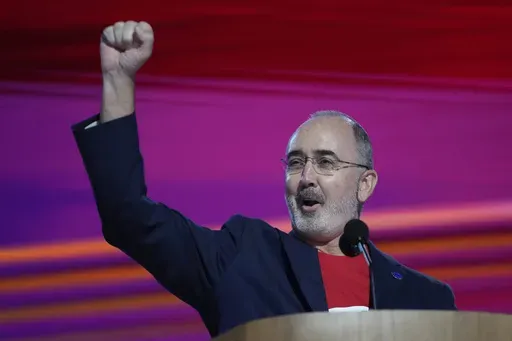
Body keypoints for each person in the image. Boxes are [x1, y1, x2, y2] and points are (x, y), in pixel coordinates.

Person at [72, 21, 457, 337]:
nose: (306, 177)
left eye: (325, 162)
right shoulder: (241, 257)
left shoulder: (425, 298)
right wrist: (118, 84)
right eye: (294, 163)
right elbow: (129, 217)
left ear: (365, 183)